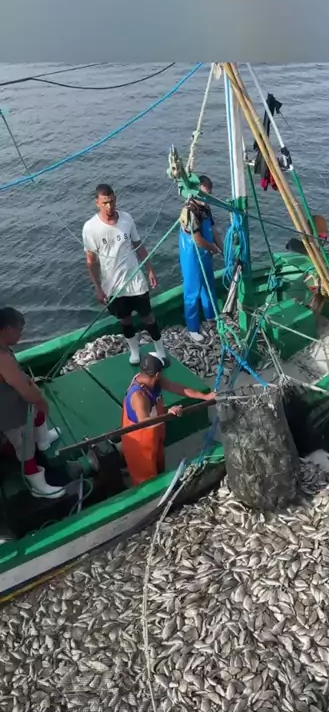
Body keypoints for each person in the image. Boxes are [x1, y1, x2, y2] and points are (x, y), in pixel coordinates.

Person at [83, 184, 167, 366]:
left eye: (112, 201)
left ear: (116, 199)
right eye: (105, 203)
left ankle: (160, 351)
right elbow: (91, 261)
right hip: (113, 285)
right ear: (97, 203)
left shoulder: (127, 219)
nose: (109, 206)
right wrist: (98, 288)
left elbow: (138, 246)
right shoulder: (90, 228)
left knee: (148, 316)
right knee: (125, 319)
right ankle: (134, 351)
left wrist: (150, 270)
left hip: (135, 279)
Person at [0, 306, 65, 499]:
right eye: (19, 330)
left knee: (36, 415)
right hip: (9, 413)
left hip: (14, 402)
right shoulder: (3, 358)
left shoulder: (4, 349)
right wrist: (40, 400)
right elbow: (23, 388)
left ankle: (43, 441)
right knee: (25, 447)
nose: (21, 335)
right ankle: (38, 486)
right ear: (8, 329)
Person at [122, 352, 216, 486]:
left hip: (154, 434)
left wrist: (205, 396)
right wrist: (168, 414)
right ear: (157, 374)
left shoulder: (153, 380)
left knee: (159, 464)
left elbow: (179, 388)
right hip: (140, 443)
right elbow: (143, 422)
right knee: (146, 479)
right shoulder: (138, 396)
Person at [179, 175, 223, 343]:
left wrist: (223, 249)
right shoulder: (190, 211)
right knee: (192, 291)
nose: (207, 198)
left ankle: (211, 317)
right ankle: (192, 328)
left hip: (205, 254)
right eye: (204, 194)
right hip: (192, 255)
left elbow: (213, 230)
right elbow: (197, 239)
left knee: (208, 285)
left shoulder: (206, 207)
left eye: (209, 194)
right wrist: (213, 248)